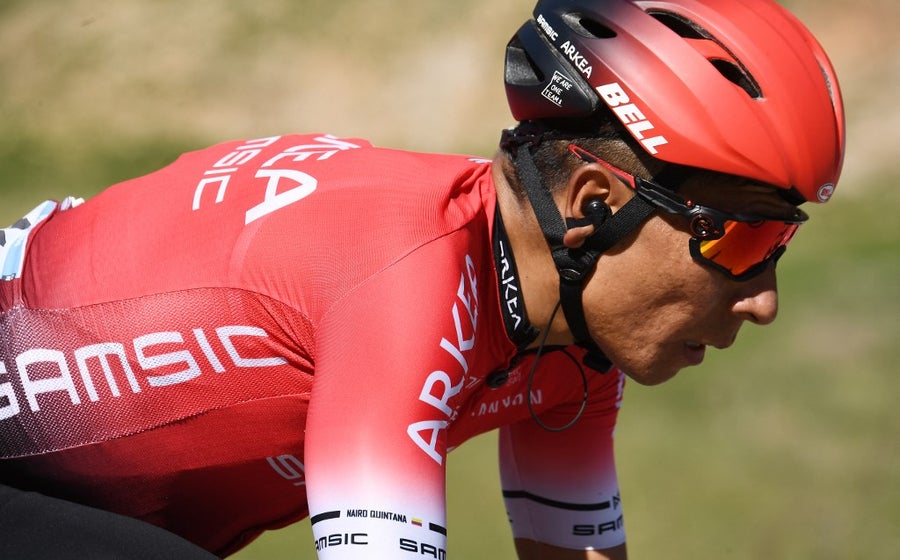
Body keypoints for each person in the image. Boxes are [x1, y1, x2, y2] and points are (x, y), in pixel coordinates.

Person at [0, 0, 844, 558]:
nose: (765, 299)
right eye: (744, 238)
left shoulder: (570, 338)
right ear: (593, 202)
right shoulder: (408, 281)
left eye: (781, 242)